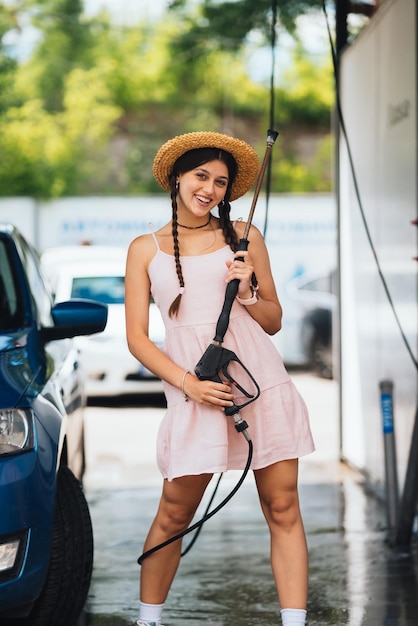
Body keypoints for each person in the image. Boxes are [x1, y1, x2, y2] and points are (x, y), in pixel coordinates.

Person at [125, 131, 315, 626]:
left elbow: (272, 320)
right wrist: (189, 385)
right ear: (177, 178)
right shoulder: (144, 249)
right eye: (200, 176)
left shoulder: (246, 236)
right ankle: (149, 620)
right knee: (173, 514)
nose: (209, 188)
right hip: (197, 390)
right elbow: (139, 341)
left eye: (221, 182)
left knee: (282, 505)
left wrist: (249, 290)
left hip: (260, 384)